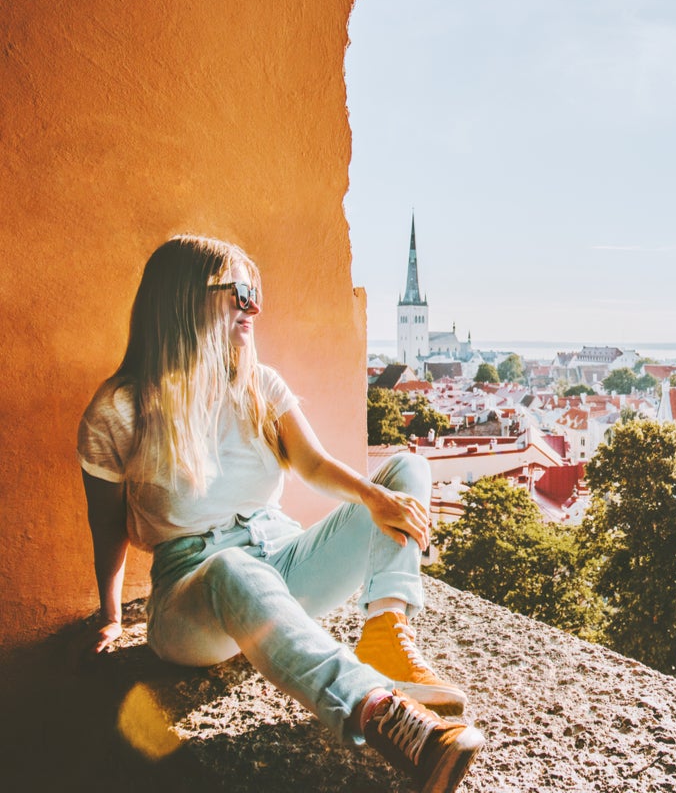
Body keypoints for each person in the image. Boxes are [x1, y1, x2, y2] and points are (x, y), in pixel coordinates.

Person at [76, 235, 483, 793]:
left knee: (407, 472)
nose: (255, 306)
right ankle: (379, 711)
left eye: (256, 291)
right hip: (195, 594)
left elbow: (312, 465)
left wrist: (373, 497)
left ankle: (386, 629)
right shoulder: (119, 410)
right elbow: (107, 527)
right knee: (232, 569)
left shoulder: (259, 384)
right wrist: (110, 615)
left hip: (282, 559)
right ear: (183, 299)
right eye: (241, 292)